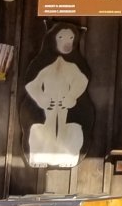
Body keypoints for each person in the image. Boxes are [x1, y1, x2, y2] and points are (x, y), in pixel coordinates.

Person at [24, 23, 92, 168]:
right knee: (37, 128)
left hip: (65, 106)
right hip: (47, 106)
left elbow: (82, 81)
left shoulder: (74, 65)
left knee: (74, 129)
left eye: (71, 38)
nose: (66, 43)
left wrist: (72, 96)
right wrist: (40, 97)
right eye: (61, 37)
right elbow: (31, 84)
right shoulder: (42, 63)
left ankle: (69, 156)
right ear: (53, 38)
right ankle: (38, 156)